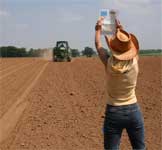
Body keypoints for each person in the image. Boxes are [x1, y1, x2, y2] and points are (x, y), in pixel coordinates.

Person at [95, 17, 146, 150]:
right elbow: (127, 48)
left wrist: (98, 30)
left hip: (113, 112)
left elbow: (98, 46)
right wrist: (120, 30)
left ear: (113, 48)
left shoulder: (109, 64)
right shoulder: (135, 61)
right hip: (134, 111)